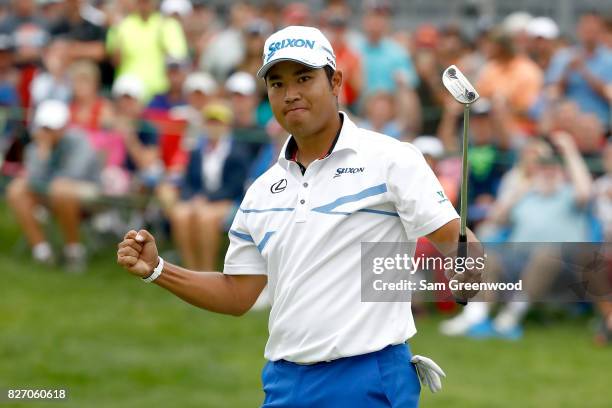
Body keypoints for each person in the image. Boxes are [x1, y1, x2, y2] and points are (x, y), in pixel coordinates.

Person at [117, 25, 483, 407]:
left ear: (335, 80)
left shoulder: (392, 159)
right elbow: (238, 293)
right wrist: (159, 269)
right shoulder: (261, 191)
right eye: (277, 84)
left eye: (304, 78)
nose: (290, 94)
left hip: (369, 377)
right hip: (284, 381)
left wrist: (469, 270)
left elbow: (456, 242)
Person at [7, 99, 101, 271]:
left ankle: (74, 251)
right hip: (52, 191)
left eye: (52, 127)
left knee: (61, 189)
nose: (48, 132)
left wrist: (45, 174)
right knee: (16, 189)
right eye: (45, 127)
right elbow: (33, 180)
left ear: (64, 126)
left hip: (89, 194)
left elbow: (74, 174)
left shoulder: (79, 140)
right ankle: (42, 251)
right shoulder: (37, 147)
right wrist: (43, 154)